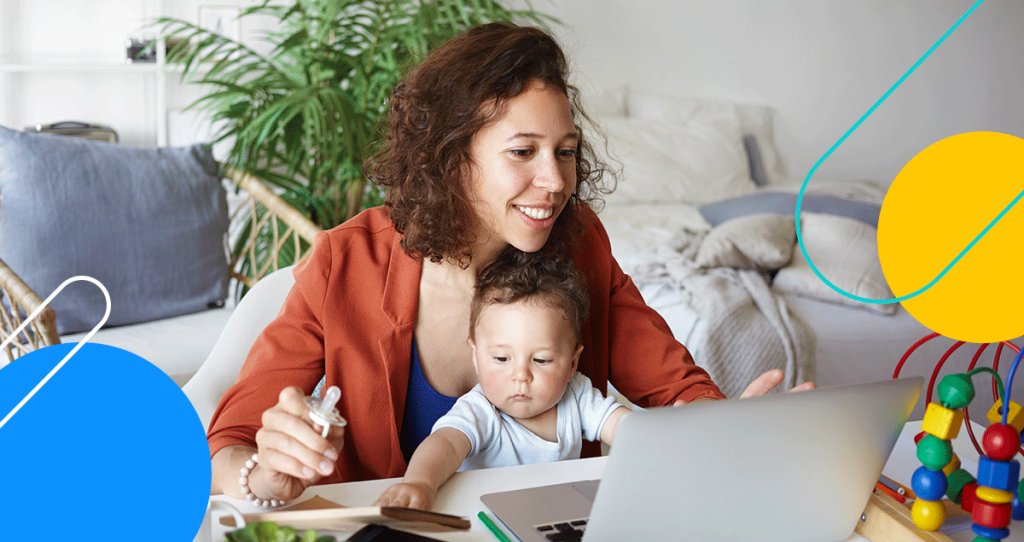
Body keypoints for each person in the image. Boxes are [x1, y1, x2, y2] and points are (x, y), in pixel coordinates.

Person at [205, 21, 813, 505]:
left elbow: (674, 391)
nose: (554, 181)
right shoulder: (347, 262)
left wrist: (730, 430)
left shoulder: (581, 246)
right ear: (451, 158)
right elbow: (225, 449)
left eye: (566, 152)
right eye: (523, 151)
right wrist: (264, 475)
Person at [375, 249, 629, 510]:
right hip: (484, 519)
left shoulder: (577, 396)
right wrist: (420, 483)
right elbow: (446, 444)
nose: (520, 375)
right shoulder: (482, 410)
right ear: (476, 356)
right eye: (501, 359)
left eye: (541, 360)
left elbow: (625, 427)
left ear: (572, 363)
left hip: (551, 516)